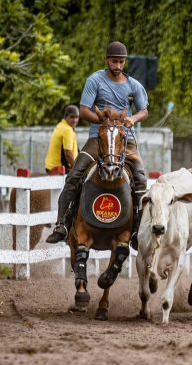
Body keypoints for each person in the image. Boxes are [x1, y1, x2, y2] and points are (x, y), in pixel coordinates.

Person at [45, 41, 149, 249]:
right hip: (98, 139)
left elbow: (144, 111)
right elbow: (83, 110)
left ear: (125, 62)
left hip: (125, 141)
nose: (117, 65)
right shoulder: (95, 80)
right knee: (74, 173)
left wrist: (133, 119)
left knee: (140, 178)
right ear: (106, 60)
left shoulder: (134, 85)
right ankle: (62, 225)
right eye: (114, 61)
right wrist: (102, 122)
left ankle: (137, 229)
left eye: (121, 62)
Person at [44, 104, 80, 174]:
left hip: (50, 166)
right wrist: (76, 169)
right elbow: (68, 153)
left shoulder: (61, 125)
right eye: (72, 117)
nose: (75, 120)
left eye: (77, 117)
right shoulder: (67, 129)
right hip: (59, 169)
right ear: (65, 116)